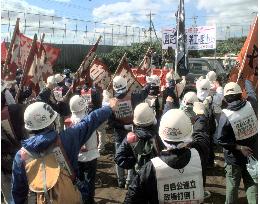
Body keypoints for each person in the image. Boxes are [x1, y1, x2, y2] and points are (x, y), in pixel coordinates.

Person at [10, 98, 118, 204]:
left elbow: (18, 192)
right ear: (53, 122)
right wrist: (109, 108)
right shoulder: (67, 138)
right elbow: (90, 120)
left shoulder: (21, 156)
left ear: (29, 127)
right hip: (68, 195)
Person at [124, 108, 210, 204]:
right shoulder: (200, 153)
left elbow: (132, 199)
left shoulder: (150, 168)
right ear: (189, 134)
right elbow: (201, 134)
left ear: (161, 136)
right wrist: (200, 117)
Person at [217, 80, 257, 204]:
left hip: (233, 159)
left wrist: (238, 147)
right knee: (252, 184)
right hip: (253, 155)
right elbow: (251, 92)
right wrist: (246, 80)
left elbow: (220, 139)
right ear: (241, 95)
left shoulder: (226, 116)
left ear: (226, 99)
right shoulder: (252, 104)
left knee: (232, 187)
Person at [108, 75, 151, 189]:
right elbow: (144, 93)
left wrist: (122, 125)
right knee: (132, 155)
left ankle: (120, 180)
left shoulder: (111, 102)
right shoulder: (133, 97)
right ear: (126, 85)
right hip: (132, 134)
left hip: (119, 134)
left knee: (119, 156)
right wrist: (149, 83)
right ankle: (129, 181)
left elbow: (110, 122)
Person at [115, 103, 163, 182]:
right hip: (158, 176)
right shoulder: (159, 135)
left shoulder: (131, 138)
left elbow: (118, 158)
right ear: (153, 119)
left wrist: (134, 162)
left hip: (139, 177)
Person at [65, 95, 100, 204]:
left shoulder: (68, 121)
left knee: (80, 180)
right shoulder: (89, 119)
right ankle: (89, 200)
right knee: (90, 180)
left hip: (77, 156)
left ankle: (81, 198)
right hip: (91, 155)